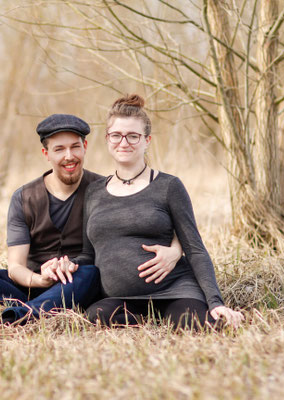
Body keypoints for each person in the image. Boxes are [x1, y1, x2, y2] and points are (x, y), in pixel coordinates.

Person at [0, 114, 183, 324]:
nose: (69, 156)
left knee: (91, 273)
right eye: (59, 149)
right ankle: (36, 307)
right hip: (33, 281)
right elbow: (15, 267)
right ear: (46, 154)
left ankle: (24, 313)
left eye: (75, 147)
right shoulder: (24, 197)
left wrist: (175, 249)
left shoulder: (106, 190)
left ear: (85, 147)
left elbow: (159, 221)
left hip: (80, 282)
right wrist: (40, 280)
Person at [77, 94, 244, 330]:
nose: (124, 142)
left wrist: (216, 302)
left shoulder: (168, 186)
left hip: (174, 289)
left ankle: (174, 315)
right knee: (96, 317)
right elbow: (88, 254)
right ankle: (149, 321)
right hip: (122, 300)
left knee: (192, 323)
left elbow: (195, 248)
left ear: (147, 140)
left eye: (133, 136)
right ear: (107, 139)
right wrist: (66, 265)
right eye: (116, 135)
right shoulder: (94, 192)